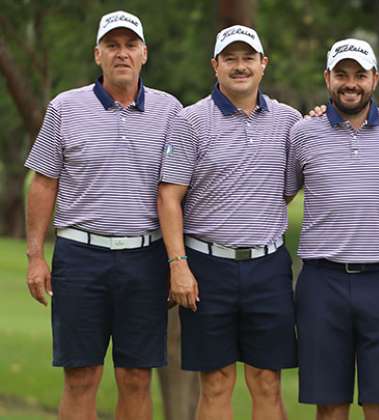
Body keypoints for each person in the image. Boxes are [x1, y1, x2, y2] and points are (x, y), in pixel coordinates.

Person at [24, 10, 182, 420]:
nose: (122, 54)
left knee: (135, 377)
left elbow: (179, 190)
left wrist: (174, 261)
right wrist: (35, 256)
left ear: (144, 54)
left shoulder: (170, 111)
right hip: (80, 258)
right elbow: (44, 183)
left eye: (130, 45)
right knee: (81, 376)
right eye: (112, 46)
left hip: (145, 259)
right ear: (98, 54)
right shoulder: (65, 107)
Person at [158, 25, 300, 420]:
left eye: (248, 58)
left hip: (268, 266)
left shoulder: (290, 122)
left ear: (263, 64)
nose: (240, 67)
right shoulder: (189, 122)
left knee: (266, 380)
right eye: (231, 59)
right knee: (217, 380)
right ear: (215, 66)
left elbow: (286, 190)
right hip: (207, 267)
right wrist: (178, 265)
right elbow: (169, 197)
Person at [286, 38, 379, 420]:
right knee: (331, 405)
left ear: (375, 79)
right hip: (323, 281)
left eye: (360, 74)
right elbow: (281, 194)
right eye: (342, 74)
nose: (351, 82)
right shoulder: (303, 133)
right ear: (328, 78)